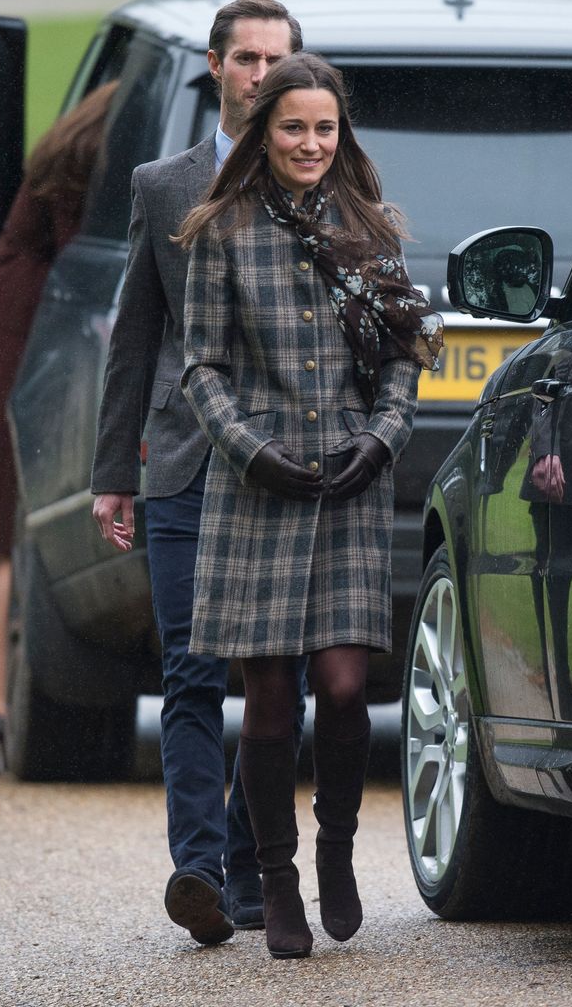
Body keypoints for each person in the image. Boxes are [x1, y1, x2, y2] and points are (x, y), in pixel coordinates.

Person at [177, 52, 443, 959]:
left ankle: (335, 852)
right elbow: (201, 366)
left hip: (350, 486)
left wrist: (384, 436)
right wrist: (250, 449)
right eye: (293, 126)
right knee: (268, 707)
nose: (310, 143)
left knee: (340, 688)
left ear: (343, 132)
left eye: (324, 128)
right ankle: (277, 879)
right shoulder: (219, 229)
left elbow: (406, 356)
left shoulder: (373, 227)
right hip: (258, 492)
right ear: (264, 130)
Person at [91, 0, 306, 944]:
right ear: (216, 67)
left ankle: (261, 870)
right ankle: (200, 871)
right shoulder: (163, 185)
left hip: (289, 464)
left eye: (278, 60)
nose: (263, 76)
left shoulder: (318, 171)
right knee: (190, 668)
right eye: (248, 60)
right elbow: (134, 336)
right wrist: (114, 472)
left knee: (276, 676)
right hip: (184, 458)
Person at [0, 80, 119, 775]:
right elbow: (75, 260)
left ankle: (1, 699)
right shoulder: (94, 154)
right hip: (20, 332)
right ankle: (2, 693)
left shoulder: (66, 143)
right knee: (13, 527)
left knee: (7, 531)